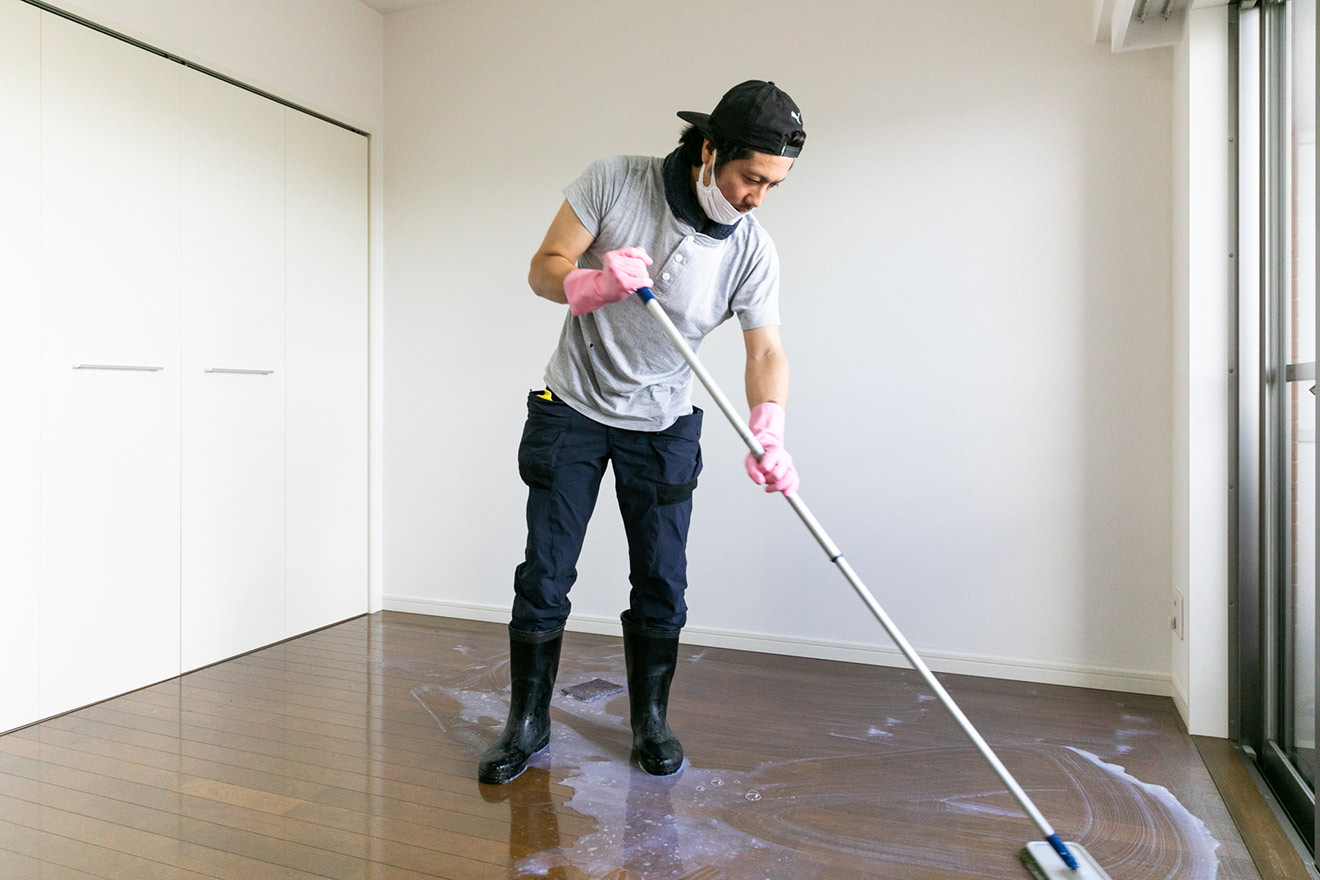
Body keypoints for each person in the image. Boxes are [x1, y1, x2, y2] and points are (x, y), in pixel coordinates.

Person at [478, 80, 806, 785]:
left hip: (662, 425)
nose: (757, 197)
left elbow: (765, 351)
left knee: (663, 582)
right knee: (545, 573)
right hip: (572, 406)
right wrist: (592, 284)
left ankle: (650, 722)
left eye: (774, 185)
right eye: (752, 177)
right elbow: (544, 268)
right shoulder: (615, 181)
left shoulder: (751, 248)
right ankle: (527, 724)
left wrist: (769, 428)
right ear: (710, 148)